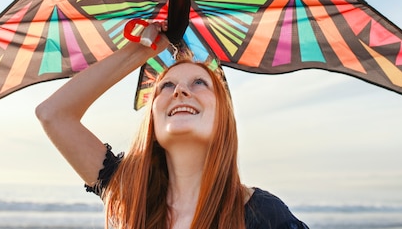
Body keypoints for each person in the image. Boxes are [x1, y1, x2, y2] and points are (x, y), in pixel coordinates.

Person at [36, 22, 309, 229]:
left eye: (199, 83)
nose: (180, 91)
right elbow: (53, 114)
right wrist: (142, 50)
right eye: (166, 85)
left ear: (223, 117)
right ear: (153, 118)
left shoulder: (263, 214)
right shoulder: (130, 194)